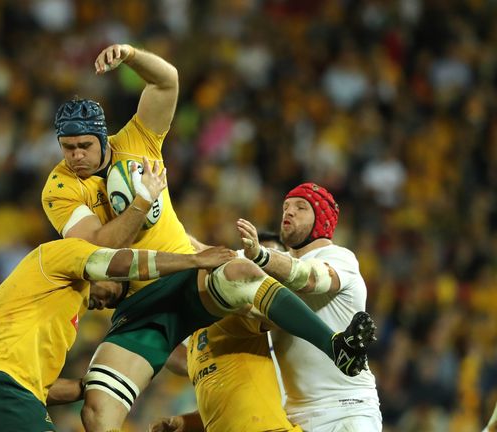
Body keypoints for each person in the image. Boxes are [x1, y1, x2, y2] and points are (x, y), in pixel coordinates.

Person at [43, 44, 376, 431]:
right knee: (98, 409)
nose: (76, 156)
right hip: (139, 303)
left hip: (186, 277)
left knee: (238, 273)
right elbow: (101, 248)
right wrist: (142, 202)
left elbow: (167, 81)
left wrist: (131, 54)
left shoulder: (136, 142)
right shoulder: (59, 188)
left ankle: (337, 347)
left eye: (84, 146)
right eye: (68, 148)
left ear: (104, 139)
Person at [0, 237, 237, 431]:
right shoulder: (65, 254)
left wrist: (96, 384)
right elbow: (126, 261)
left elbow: (40, 389)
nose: (104, 305)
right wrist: (195, 261)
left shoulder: (57, 314)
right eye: (115, 294)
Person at [237, 182, 382, 431]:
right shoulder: (272, 271)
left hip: (346, 409)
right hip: (294, 417)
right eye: (285, 207)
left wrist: (261, 256)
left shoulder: (339, 257)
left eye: (301, 207)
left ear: (322, 220)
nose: (289, 211)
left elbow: (311, 279)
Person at [149, 232, 302, 432]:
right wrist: (184, 423)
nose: (261, 274)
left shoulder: (297, 339)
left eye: (269, 264)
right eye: (253, 264)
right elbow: (230, 412)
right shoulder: (212, 331)